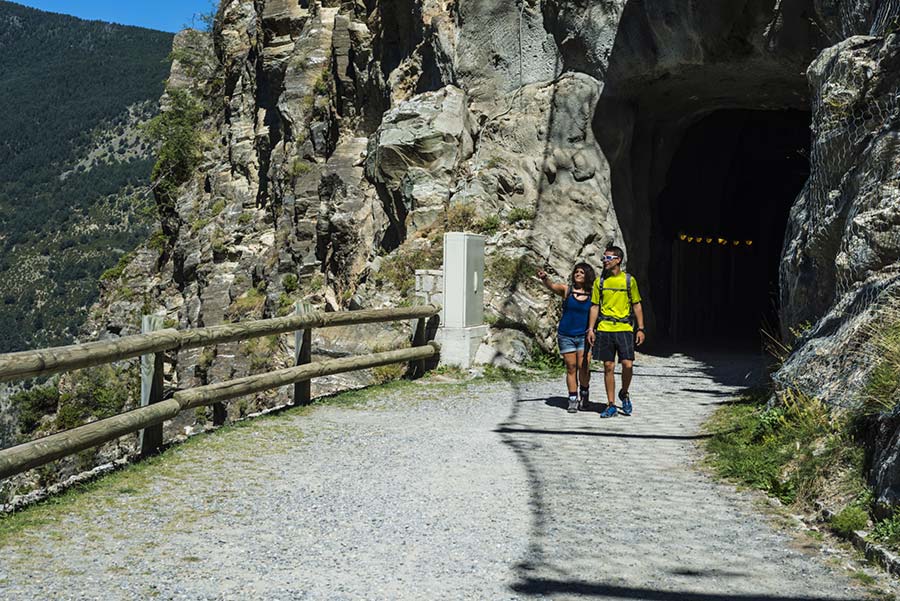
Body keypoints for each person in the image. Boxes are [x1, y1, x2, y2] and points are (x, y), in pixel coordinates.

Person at [586, 246, 645, 418]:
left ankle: (624, 393)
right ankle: (610, 404)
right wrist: (591, 328)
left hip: (625, 328)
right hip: (605, 328)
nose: (605, 260)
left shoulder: (628, 281)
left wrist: (640, 328)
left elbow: (637, 304)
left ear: (618, 259)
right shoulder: (600, 282)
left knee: (627, 364)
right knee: (608, 366)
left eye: (608, 257)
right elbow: (594, 306)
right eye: (604, 258)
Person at [537, 263, 596, 413]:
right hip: (566, 335)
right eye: (576, 272)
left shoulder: (593, 294)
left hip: (584, 335)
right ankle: (572, 399)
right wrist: (545, 278)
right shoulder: (567, 290)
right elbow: (552, 286)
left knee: (584, 366)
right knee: (571, 367)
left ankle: (584, 391)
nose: (578, 274)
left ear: (587, 275)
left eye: (582, 272)